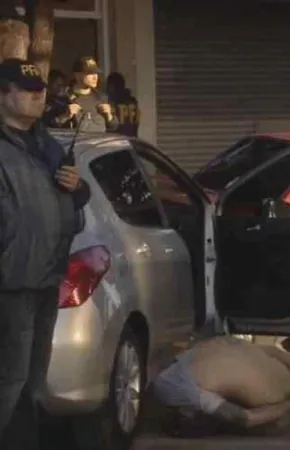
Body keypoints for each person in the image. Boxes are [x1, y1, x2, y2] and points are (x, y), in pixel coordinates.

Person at [0, 58, 91, 450]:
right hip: (11, 282)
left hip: (45, 278)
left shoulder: (44, 142)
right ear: (3, 95)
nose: (39, 96)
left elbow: (73, 196)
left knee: (33, 382)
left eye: (39, 90)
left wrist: (77, 187)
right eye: (27, 89)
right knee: (10, 379)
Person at [153, 336, 290, 438]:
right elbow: (275, 352)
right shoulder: (207, 347)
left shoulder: (176, 388)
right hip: (282, 369)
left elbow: (245, 418)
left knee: (271, 422)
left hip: (271, 393)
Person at [52, 57, 118, 133]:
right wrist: (65, 116)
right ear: (77, 75)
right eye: (90, 73)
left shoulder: (101, 98)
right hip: (75, 143)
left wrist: (109, 116)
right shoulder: (63, 98)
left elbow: (114, 127)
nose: (95, 77)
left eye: (96, 73)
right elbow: (49, 126)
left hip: (99, 143)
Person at [106, 72, 139, 137]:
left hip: (120, 141)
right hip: (130, 141)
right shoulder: (132, 103)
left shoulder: (117, 104)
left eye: (109, 87)